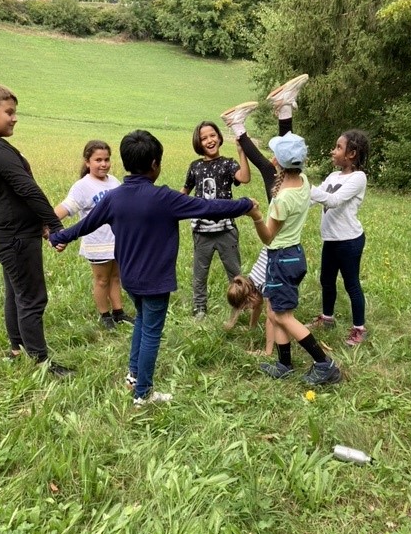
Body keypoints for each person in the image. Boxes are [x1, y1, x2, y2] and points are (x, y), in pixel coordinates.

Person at [49, 130, 257, 405]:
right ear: (155, 164)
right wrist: (245, 204)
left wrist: (59, 236)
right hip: (156, 282)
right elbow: (209, 207)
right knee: (150, 333)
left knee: (142, 322)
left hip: (130, 279)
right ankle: (143, 394)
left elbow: (85, 224)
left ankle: (133, 377)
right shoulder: (164, 198)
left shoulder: (114, 197)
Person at [221, 82, 342, 386]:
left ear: (281, 163)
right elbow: (281, 166)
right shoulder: (302, 181)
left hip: (281, 258)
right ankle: (284, 364)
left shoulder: (282, 199)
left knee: (284, 316)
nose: (271, 159)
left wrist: (256, 216)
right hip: (292, 256)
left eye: (275, 155)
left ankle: (325, 364)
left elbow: (267, 238)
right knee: (275, 312)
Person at [0, 81, 73, 377]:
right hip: (14, 237)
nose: (14, 118)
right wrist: (55, 224)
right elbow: (27, 188)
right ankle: (41, 362)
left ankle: (17, 348)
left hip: (10, 233)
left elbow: (13, 194)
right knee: (32, 297)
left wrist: (39, 222)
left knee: (16, 293)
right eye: (9, 112)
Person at [223, 75, 308, 354]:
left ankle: (267, 114)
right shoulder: (297, 185)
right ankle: (278, 109)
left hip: (280, 243)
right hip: (281, 246)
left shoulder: (288, 186)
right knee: (268, 166)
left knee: (267, 166)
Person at [54, 140, 134, 330]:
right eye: (98, 160)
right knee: (102, 280)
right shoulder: (82, 186)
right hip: (97, 243)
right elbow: (63, 209)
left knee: (116, 277)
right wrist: (52, 228)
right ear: (87, 162)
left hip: (116, 241)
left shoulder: (114, 182)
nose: (103, 164)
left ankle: (118, 312)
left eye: (107, 159)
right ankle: (104, 315)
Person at [180, 120, 250, 320]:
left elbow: (244, 178)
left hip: (226, 229)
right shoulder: (195, 167)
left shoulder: (228, 164)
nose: (209, 140)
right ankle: (199, 308)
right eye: (204, 138)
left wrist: (241, 152)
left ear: (219, 137)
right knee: (199, 274)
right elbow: (184, 192)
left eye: (212, 135)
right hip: (202, 231)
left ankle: (242, 305)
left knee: (235, 273)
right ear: (198, 142)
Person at [306, 130, 370, 346]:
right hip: (331, 240)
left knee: (351, 284)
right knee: (326, 280)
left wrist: (304, 184)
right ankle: (327, 319)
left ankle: (359, 329)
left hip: (349, 241)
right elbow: (313, 200)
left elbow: (333, 201)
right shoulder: (333, 176)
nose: (333, 151)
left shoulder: (358, 178)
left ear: (352, 153)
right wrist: (296, 195)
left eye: (338, 148)